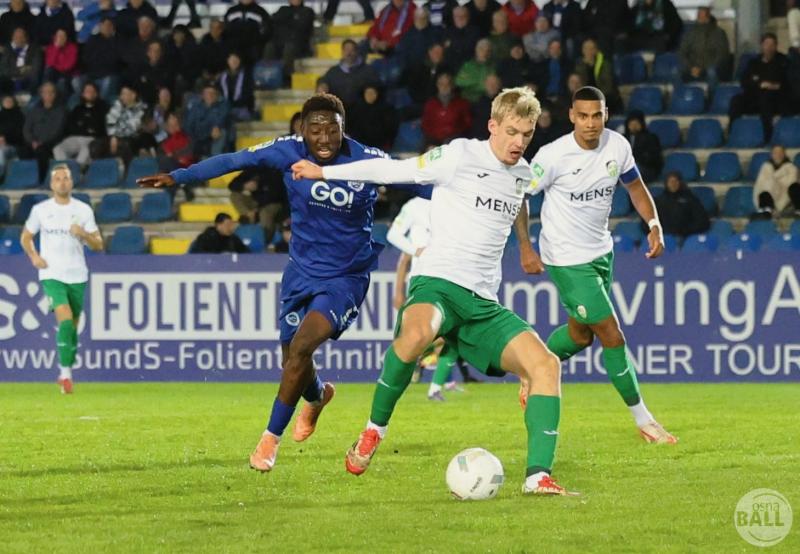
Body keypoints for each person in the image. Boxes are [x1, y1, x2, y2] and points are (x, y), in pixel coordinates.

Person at [292, 87, 577, 496]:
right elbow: (394, 170)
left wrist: (526, 245)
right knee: (416, 335)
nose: (519, 142)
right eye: (512, 132)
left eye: (527, 134)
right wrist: (325, 173)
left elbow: (519, 199)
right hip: (438, 284)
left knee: (546, 365)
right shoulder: (459, 155)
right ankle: (374, 430)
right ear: (493, 125)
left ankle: (538, 478)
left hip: (482, 303)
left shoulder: (521, 173)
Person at [138, 93, 406, 473]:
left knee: (301, 348)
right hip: (300, 272)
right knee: (291, 359)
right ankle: (317, 396)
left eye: (332, 130)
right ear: (302, 130)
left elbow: (422, 181)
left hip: (345, 277)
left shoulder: (368, 160)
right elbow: (234, 161)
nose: (324, 138)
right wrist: (178, 176)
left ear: (343, 129)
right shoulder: (288, 150)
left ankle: (269, 440)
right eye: (315, 130)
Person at [516, 86, 677, 445]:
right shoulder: (552, 156)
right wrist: (526, 246)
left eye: (597, 116)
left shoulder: (617, 146)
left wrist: (654, 224)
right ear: (572, 116)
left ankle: (530, 367)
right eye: (583, 116)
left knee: (580, 335)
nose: (590, 123)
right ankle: (645, 421)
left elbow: (635, 187)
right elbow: (519, 196)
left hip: (601, 252)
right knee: (611, 334)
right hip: (565, 258)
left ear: (606, 115)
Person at [20, 164, 104, 394]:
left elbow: (98, 245)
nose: (62, 182)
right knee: (65, 319)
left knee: (73, 327)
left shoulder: (83, 210)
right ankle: (65, 374)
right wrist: (34, 257)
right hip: (51, 274)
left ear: (71, 182)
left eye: (65, 178)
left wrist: (83, 233)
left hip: (77, 274)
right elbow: (26, 237)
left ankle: (67, 364)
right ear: (51, 184)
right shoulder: (41, 210)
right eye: (57, 179)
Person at [387, 194, 479, 399]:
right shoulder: (416, 207)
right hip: (425, 282)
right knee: (434, 336)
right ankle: (417, 360)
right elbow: (395, 240)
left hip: (452, 280)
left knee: (454, 335)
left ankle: (437, 383)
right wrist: (415, 251)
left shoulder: (458, 205)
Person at [729, 33, 790, 142]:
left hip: (774, 100)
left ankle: (768, 137)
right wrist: (760, 84)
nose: (769, 48)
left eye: (772, 45)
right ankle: (732, 133)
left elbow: (787, 83)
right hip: (755, 98)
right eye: (766, 44)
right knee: (736, 100)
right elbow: (745, 81)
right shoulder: (754, 63)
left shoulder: (783, 62)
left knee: (765, 98)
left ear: (776, 46)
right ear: (762, 45)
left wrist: (773, 86)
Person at [52, 81, 108, 168]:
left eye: (91, 91)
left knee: (85, 150)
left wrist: (84, 127)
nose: (89, 93)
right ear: (83, 94)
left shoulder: (103, 108)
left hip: (91, 138)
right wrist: (84, 128)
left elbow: (100, 127)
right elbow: (70, 126)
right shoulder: (77, 109)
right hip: (74, 137)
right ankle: (67, 169)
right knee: (57, 149)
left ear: (96, 94)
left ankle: (77, 170)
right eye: (87, 91)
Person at [227, 166, 287, 239]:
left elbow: (276, 196)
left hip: (273, 203)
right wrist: (244, 185)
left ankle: (265, 238)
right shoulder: (252, 170)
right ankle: (248, 215)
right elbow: (231, 185)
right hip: (256, 202)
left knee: (265, 212)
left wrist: (258, 208)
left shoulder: (273, 174)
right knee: (234, 195)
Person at [678, 7, 731, 90]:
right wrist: (691, 67)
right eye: (698, 15)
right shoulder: (691, 33)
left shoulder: (719, 33)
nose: (699, 17)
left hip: (710, 67)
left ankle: (712, 96)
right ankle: (681, 96)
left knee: (711, 72)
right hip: (692, 67)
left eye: (701, 15)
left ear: (708, 17)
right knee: (677, 72)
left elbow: (721, 55)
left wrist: (702, 69)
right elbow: (682, 52)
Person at [23, 81, 66, 180]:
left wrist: (42, 142)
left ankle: (42, 179)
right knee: (22, 151)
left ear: (55, 94)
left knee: (41, 151)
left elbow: (58, 130)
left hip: (50, 143)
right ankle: (25, 180)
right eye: (45, 92)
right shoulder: (34, 111)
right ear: (41, 94)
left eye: (51, 92)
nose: (48, 94)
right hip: (33, 143)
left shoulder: (61, 111)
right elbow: (27, 129)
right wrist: (32, 141)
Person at [320, 39, 380, 109]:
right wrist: (323, 85)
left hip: (361, 110)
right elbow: (324, 81)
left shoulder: (367, 70)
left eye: (352, 50)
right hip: (339, 110)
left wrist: (372, 88)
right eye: (346, 50)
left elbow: (375, 84)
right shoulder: (333, 71)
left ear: (357, 52)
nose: (349, 53)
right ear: (342, 52)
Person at [421, 72, 472, 147]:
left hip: (454, 141)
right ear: (437, 85)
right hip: (433, 141)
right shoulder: (430, 104)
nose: (444, 87)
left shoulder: (462, 104)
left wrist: (454, 133)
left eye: (447, 84)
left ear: (452, 86)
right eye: (441, 84)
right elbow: (425, 124)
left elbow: (467, 123)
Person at [653, 171, 709, 237]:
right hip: (664, 236)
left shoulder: (690, 199)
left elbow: (702, 220)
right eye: (670, 182)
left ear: (680, 182)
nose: (673, 184)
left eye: (675, 181)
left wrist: (687, 231)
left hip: (687, 236)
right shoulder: (659, 200)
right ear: (666, 183)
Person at [753, 144, 800, 218]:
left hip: (784, 196)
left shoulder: (791, 168)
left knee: (794, 187)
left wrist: (774, 181)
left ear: (784, 154)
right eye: (775, 152)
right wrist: (774, 182)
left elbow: (790, 182)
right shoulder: (765, 167)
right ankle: (766, 211)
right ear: (771, 154)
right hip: (767, 195)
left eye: (780, 152)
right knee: (765, 190)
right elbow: (760, 183)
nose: (778, 155)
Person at [623, 110, 662, 183]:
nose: (634, 126)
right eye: (631, 123)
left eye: (636, 123)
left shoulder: (651, 138)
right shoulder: (622, 138)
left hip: (645, 169)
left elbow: (653, 158)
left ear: (642, 124)